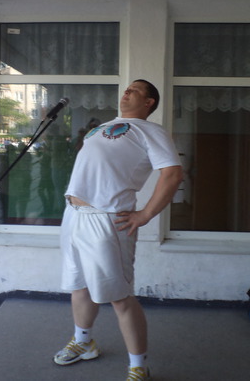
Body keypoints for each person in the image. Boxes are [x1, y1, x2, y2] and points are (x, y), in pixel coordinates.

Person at [54, 80, 183, 381]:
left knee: (120, 297)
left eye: (135, 90)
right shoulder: (102, 127)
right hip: (74, 214)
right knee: (80, 286)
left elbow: (173, 174)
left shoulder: (151, 131)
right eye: (127, 88)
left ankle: (138, 366)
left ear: (149, 102)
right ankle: (84, 342)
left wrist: (146, 214)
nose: (126, 92)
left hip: (107, 219)